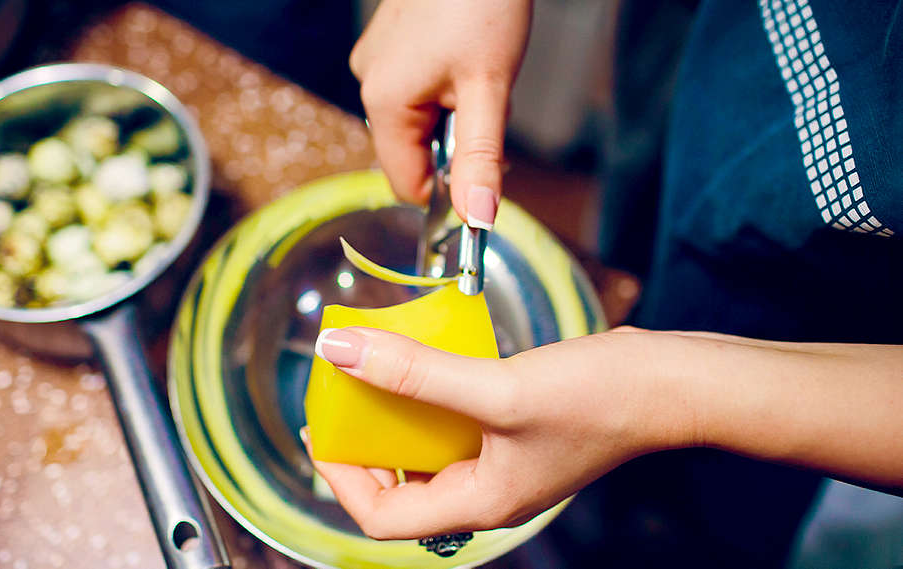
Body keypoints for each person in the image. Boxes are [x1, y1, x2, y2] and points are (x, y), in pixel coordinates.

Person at [303, 0, 903, 566]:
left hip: (842, 354)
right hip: (729, 45)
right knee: (637, 214)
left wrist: (661, 395)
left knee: (710, 518)